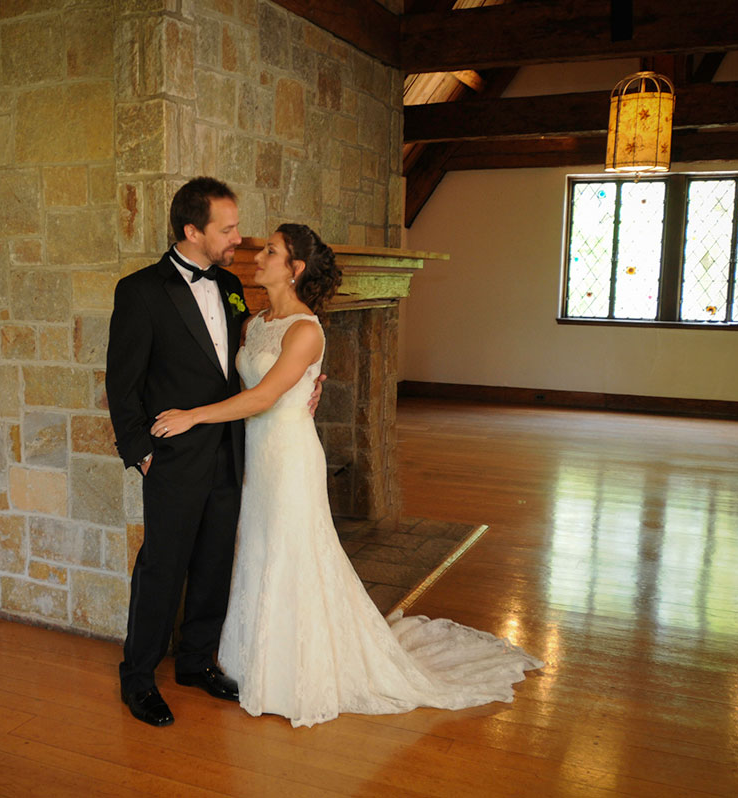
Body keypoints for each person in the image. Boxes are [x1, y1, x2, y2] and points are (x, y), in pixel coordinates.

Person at [151, 223, 543, 728]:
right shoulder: (255, 322)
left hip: (291, 459)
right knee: (260, 551)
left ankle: (300, 669)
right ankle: (256, 661)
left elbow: (266, 396)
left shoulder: (306, 330)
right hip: (257, 459)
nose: (258, 255)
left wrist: (192, 415)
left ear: (293, 270)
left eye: (270, 251)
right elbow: (239, 377)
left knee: (294, 554)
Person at [106, 177, 322, 727]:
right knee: (163, 567)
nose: (239, 237)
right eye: (227, 228)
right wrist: (141, 452)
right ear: (192, 231)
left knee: (212, 563)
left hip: (232, 452)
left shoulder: (230, 286)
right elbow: (121, 383)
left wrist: (306, 391)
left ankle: (196, 662)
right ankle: (139, 679)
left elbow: (253, 367)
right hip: (173, 457)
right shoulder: (140, 291)